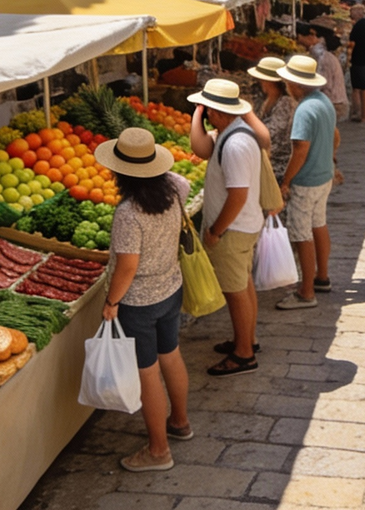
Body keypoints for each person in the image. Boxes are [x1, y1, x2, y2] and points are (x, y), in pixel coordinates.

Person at [98, 127, 193, 472]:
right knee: (171, 356)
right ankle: (179, 422)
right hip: (171, 288)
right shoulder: (176, 189)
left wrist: (111, 302)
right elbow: (177, 177)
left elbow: (127, 266)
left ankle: (158, 451)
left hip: (139, 303)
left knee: (148, 373)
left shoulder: (128, 213)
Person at [187, 79, 264, 377]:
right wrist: (197, 114)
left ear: (216, 112)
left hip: (234, 230)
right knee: (243, 285)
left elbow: (238, 194)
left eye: (206, 110)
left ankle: (243, 354)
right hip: (243, 226)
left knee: (236, 292)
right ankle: (248, 340)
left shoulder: (235, 144)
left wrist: (216, 231)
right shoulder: (230, 134)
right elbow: (201, 147)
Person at [277, 55, 339, 309]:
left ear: (296, 85)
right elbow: (336, 136)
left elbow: (300, 149)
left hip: (306, 180)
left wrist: (286, 181)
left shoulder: (304, 109)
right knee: (318, 224)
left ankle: (306, 291)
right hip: (323, 175)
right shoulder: (324, 102)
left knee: (302, 234)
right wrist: (331, 160)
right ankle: (321, 276)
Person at [248, 57, 295, 179]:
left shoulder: (285, 103)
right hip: (264, 160)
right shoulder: (267, 100)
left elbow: (272, 133)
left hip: (278, 165)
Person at [297, 23, 349, 122]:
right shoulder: (321, 55)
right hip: (332, 102)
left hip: (335, 103)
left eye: (301, 37)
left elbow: (322, 85)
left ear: (312, 36)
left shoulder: (324, 57)